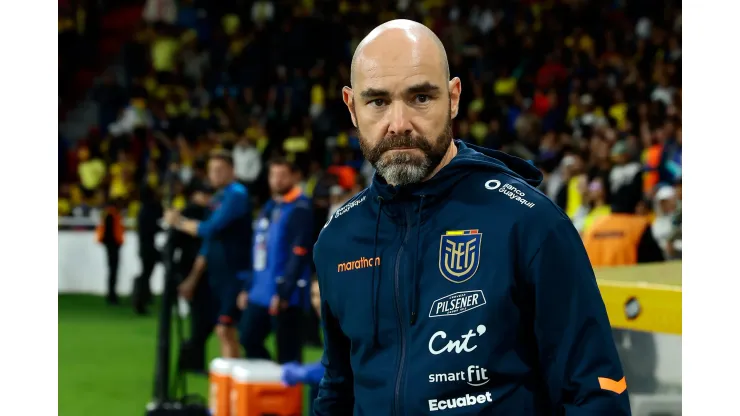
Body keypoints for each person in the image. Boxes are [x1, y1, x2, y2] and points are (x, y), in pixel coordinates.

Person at [312, 20, 630, 415]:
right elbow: (338, 390)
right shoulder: (338, 239)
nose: (399, 124)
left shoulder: (529, 222)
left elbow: (594, 394)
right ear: (351, 106)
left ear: (454, 97)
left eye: (421, 98)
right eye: (377, 101)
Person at [164, 150, 253, 358]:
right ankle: (229, 383)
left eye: (220, 170)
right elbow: (208, 243)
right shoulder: (219, 197)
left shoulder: (236, 194)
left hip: (235, 273)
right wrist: (193, 279)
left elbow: (210, 229)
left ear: (232, 170)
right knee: (223, 330)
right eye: (212, 170)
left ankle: (236, 382)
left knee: (226, 328)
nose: (215, 174)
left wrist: (179, 222)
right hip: (218, 274)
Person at [238, 157, 313, 364]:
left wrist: (284, 291)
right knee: (247, 337)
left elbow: (298, 253)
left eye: (282, 175)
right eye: (273, 175)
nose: (277, 180)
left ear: (295, 177)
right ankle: (268, 383)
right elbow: (258, 251)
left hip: (285, 295)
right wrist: (248, 286)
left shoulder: (301, 208)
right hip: (259, 292)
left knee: (287, 355)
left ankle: (288, 392)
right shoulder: (269, 206)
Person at [281, 278, 325, 416]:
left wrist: (305, 373)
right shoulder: (324, 322)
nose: (316, 302)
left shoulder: (342, 323)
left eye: (320, 295)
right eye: (313, 295)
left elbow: (340, 365)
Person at [133, 185, 163, 314]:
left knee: (145, 274)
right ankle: (140, 301)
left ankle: (141, 299)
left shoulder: (142, 209)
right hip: (148, 247)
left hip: (144, 247)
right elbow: (153, 227)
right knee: (146, 275)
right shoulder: (150, 209)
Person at [96, 197, 124, 305]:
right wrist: (115, 245)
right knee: (113, 271)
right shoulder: (112, 215)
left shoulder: (108, 214)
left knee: (112, 271)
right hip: (113, 246)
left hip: (111, 246)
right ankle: (112, 295)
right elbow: (110, 233)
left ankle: (111, 294)